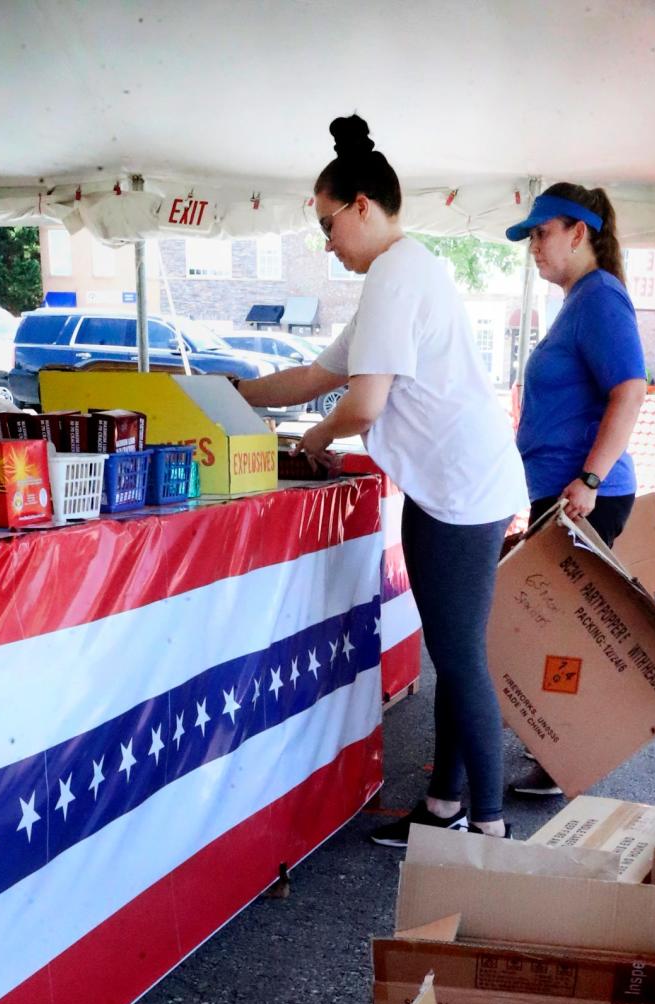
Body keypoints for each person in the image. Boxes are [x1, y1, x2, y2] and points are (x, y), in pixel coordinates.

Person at [236, 115, 527, 846]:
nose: (327, 243)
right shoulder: (399, 276)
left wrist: (320, 433)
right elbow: (317, 374)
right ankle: (443, 808)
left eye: (328, 223)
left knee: (461, 662)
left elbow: (359, 403)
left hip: (459, 490)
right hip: (452, 485)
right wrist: (232, 395)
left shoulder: (399, 275)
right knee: (457, 654)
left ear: (362, 205)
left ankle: (487, 832)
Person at [505, 183, 647, 795]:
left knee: (566, 632)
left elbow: (631, 389)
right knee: (558, 627)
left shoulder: (599, 299)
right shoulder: (581, 300)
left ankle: (567, 755)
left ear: (578, 232)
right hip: (565, 492)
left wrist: (588, 479)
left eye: (541, 232)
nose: (533, 247)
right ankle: (559, 749)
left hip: (583, 494)